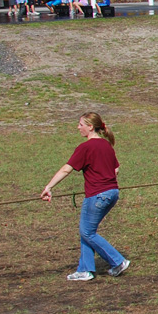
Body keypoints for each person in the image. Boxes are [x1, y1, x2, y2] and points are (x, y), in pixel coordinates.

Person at [39, 112, 129, 281]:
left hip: (97, 195)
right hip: (112, 193)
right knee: (87, 231)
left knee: (87, 232)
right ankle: (85, 270)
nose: (78, 127)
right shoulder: (106, 145)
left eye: (81, 124)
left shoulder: (85, 147)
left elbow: (67, 169)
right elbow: (116, 169)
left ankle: (118, 261)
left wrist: (49, 187)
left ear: (90, 127)